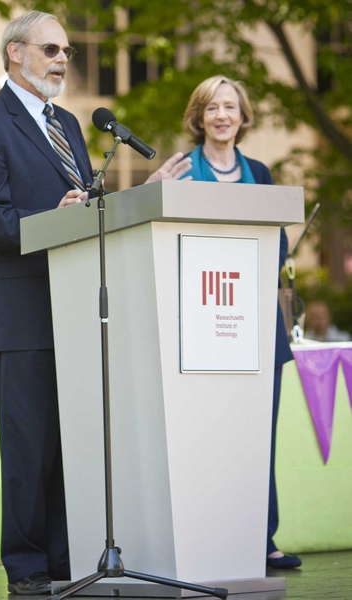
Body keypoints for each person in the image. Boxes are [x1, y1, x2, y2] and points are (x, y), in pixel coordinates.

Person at [0, 11, 98, 594]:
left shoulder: (68, 121)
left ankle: (69, 559)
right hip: (21, 313)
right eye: (50, 50)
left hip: (76, 306)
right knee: (28, 448)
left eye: (65, 50)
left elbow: (85, 204)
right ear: (15, 53)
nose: (62, 60)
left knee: (72, 445)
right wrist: (53, 221)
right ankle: (27, 566)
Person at [178, 74, 301, 570]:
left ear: (243, 116)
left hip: (255, 324)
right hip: (201, 324)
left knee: (258, 435)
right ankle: (205, 533)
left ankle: (262, 538)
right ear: (199, 117)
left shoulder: (261, 172)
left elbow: (279, 243)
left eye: (230, 107)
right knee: (205, 433)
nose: (222, 116)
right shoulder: (182, 170)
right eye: (212, 108)